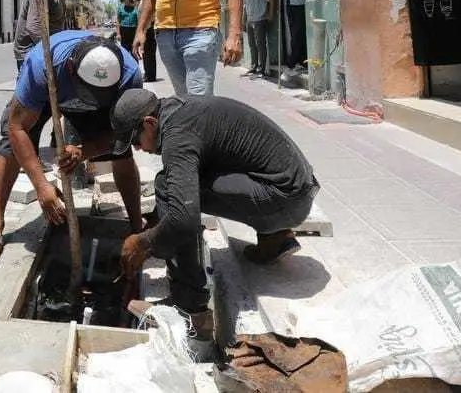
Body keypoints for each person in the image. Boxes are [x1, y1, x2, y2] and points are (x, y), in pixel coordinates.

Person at [112, 89, 320, 348]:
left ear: (150, 123)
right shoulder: (178, 111)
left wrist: (143, 242)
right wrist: (157, 226)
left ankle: (188, 305)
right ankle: (275, 237)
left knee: (167, 186)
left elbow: (183, 218)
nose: (140, 149)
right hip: (296, 188)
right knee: (186, 182)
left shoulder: (177, 137)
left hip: (286, 199)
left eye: (136, 141)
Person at [0, 31, 145, 263]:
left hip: (102, 109)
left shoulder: (129, 76)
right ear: (72, 70)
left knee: (121, 154)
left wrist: (84, 151)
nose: (90, 98)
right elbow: (17, 127)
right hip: (48, 95)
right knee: (9, 144)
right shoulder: (43, 65)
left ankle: (136, 226)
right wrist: (41, 185)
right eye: (88, 92)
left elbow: (121, 136)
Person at [239, 0, 275, 76]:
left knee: (260, 44)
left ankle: (262, 68)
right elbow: (246, 5)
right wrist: (243, 21)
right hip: (250, 19)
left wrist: (270, 13)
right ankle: (254, 66)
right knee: (251, 44)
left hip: (260, 18)